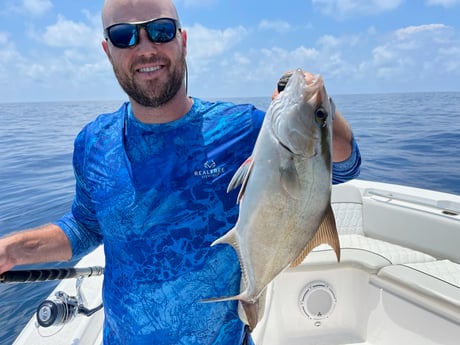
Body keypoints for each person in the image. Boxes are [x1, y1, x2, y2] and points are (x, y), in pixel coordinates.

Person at [0, 0, 361, 344]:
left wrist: (319, 105)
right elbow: (84, 226)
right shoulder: (93, 143)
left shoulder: (244, 130)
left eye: (160, 30)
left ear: (182, 41)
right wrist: (11, 251)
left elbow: (344, 166)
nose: (145, 48)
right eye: (124, 35)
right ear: (107, 50)